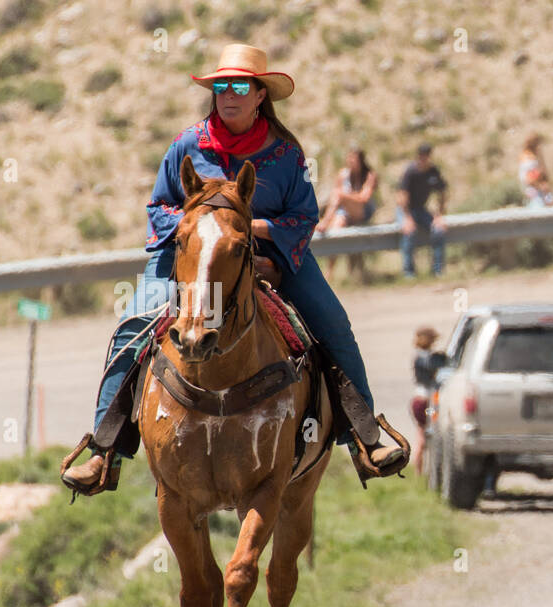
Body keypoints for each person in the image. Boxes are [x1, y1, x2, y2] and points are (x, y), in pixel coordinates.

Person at [60, 44, 405, 495]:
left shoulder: (287, 155)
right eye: (221, 85)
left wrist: (247, 230)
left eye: (240, 85)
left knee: (333, 324)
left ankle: (364, 436)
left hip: (269, 256)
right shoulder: (186, 144)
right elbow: (158, 206)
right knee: (133, 327)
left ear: (261, 95)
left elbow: (303, 219)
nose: (229, 93)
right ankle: (105, 451)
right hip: (188, 257)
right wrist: (203, 227)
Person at [316, 147, 378, 282]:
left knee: (338, 195)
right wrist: (345, 198)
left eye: (353, 158)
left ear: (360, 160)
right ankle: (329, 272)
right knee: (336, 229)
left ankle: (324, 221)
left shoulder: (369, 175)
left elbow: (364, 198)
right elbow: (335, 202)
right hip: (344, 212)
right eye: (349, 157)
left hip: (362, 211)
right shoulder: (343, 175)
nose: (350, 161)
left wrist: (346, 196)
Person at [396, 143, 448, 278]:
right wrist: (407, 218)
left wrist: (439, 215)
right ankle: (409, 272)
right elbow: (402, 197)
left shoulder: (433, 172)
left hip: (420, 209)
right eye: (421, 156)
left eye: (426, 156)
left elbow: (442, 193)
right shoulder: (411, 172)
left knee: (438, 230)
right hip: (405, 209)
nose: (423, 159)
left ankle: (437, 270)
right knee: (410, 232)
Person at [410, 326, 445, 475]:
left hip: (418, 401)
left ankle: (420, 472)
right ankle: (419, 472)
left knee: (422, 434)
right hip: (426, 404)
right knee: (424, 437)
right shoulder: (426, 358)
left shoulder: (418, 356)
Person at [519, 133, 553, 208]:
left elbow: (544, 174)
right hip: (534, 192)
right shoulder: (528, 159)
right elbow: (529, 178)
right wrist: (540, 185)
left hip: (538, 191)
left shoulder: (535, 158)